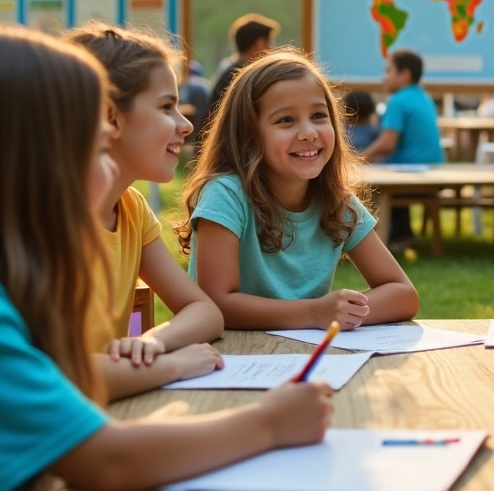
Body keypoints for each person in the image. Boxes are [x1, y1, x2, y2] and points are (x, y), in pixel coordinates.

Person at [0, 23, 333, 491]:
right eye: (94, 151)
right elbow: (106, 463)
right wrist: (270, 423)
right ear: (18, 159)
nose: (103, 172)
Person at [177, 48, 418, 330]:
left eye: (318, 115)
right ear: (247, 135)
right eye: (286, 120)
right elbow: (216, 304)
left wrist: (342, 313)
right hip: (231, 359)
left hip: (304, 360)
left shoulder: (337, 200)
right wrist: (314, 314)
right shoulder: (226, 195)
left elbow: (403, 294)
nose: (308, 132)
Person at [66, 22, 225, 399]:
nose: (185, 125)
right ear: (110, 117)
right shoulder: (44, 220)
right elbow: (58, 375)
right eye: (166, 107)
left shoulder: (131, 209)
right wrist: (169, 365)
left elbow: (205, 312)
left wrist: (152, 342)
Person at [359, 49, 445, 251]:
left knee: (364, 180)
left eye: (388, 71)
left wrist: (357, 158)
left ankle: (374, 242)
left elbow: (387, 144)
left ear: (404, 74)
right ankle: (402, 233)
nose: (384, 78)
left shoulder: (398, 101)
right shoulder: (424, 97)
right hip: (434, 170)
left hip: (409, 173)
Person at [209, 13, 279, 114]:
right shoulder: (242, 74)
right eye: (270, 43)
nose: (272, 49)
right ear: (259, 43)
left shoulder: (229, 69)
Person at [179, 59, 212, 148]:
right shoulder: (207, 84)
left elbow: (188, 108)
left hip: (191, 134)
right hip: (206, 132)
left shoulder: (188, 85)